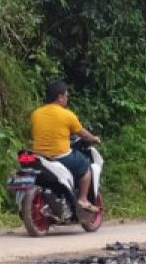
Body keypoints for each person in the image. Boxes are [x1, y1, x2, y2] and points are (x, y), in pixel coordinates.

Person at [31, 79, 101, 211]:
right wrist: (94, 138)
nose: (67, 98)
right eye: (66, 95)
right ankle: (83, 199)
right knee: (85, 165)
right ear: (60, 97)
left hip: (39, 157)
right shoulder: (67, 115)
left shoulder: (36, 114)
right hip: (59, 156)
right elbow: (83, 134)